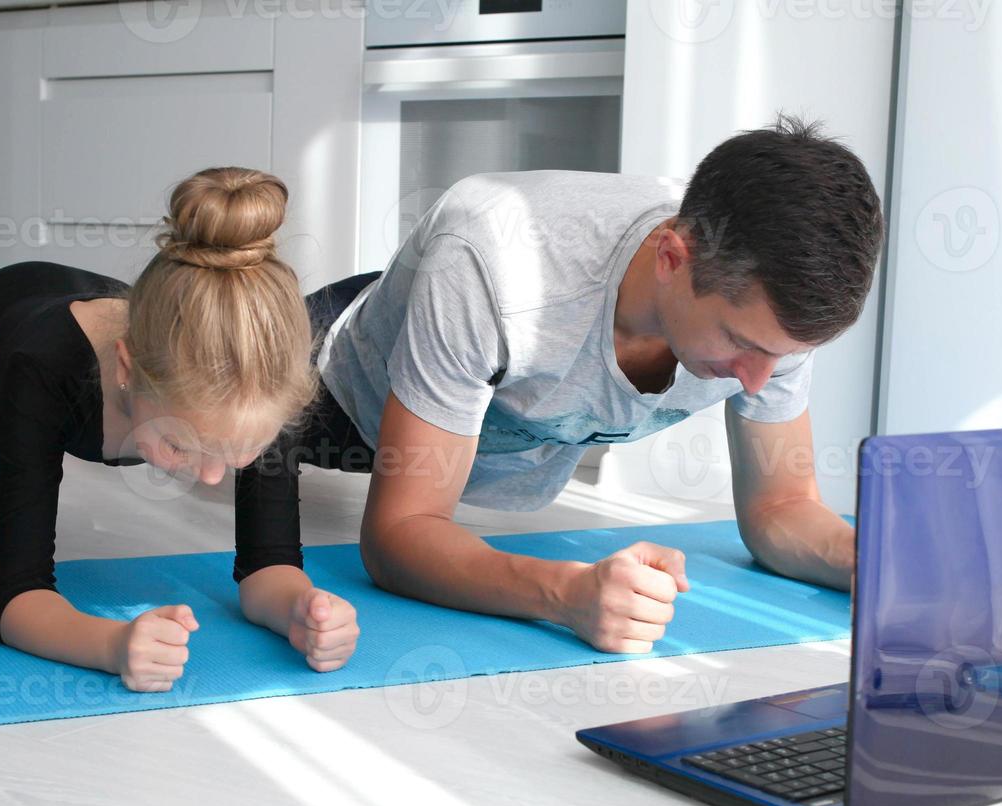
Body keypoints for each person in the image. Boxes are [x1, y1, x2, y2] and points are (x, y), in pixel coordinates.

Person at [273, 116, 884, 653]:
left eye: (786, 356)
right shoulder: (492, 262)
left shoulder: (772, 319)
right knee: (195, 388)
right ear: (672, 259)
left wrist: (875, 564)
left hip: (469, 369)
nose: (760, 382)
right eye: (741, 344)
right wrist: (566, 594)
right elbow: (399, 534)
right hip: (338, 387)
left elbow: (782, 508)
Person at [0, 168, 360, 687]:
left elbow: (268, 567)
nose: (213, 478)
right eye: (178, 444)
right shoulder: (45, 368)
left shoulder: (260, 386)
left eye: (240, 452)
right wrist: (111, 645)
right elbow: (14, 598)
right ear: (125, 369)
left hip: (91, 345)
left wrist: (301, 610)